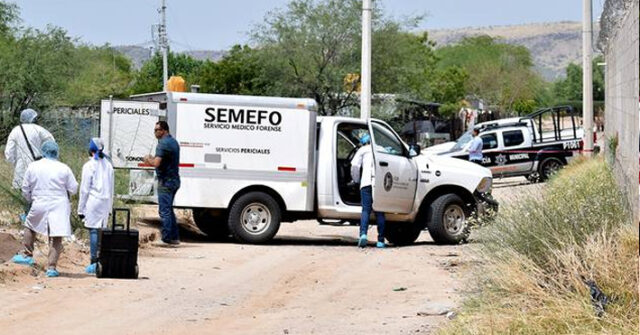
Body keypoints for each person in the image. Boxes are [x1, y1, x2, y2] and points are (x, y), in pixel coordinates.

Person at [12, 141, 78, 278]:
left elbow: (25, 188)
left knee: (30, 225)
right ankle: (52, 267)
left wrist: (30, 199)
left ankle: (26, 254)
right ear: (56, 152)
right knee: (56, 234)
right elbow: (73, 188)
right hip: (59, 203)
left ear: (43, 151)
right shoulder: (64, 168)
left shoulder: (33, 166)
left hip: (39, 201)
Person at [4, 108, 55, 220]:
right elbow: (52, 144)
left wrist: (16, 163)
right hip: (39, 165)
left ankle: (27, 217)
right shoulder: (40, 130)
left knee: (25, 194)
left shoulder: (16, 131)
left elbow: (9, 153)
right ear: (33, 118)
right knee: (39, 193)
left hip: (21, 169)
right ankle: (39, 218)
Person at [78, 138, 114, 274]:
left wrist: (81, 209)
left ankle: (93, 262)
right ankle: (102, 260)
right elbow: (112, 188)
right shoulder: (108, 165)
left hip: (93, 201)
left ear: (90, 149)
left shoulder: (89, 166)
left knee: (93, 231)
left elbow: (85, 190)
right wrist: (110, 207)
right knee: (102, 232)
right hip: (105, 202)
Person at [144, 121, 181, 245]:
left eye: (157, 130)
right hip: (174, 180)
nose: (155, 132)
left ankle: (166, 238)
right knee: (169, 210)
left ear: (164, 130)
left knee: (164, 211)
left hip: (166, 182)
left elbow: (156, 163)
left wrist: (147, 159)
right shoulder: (173, 142)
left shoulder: (163, 144)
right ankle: (174, 237)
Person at [350, 133, 386, 248]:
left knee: (366, 210)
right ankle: (380, 240)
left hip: (366, 183)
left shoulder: (362, 150)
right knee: (380, 211)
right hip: (380, 184)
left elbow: (355, 166)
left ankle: (363, 235)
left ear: (364, 142)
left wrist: (356, 180)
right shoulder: (381, 149)